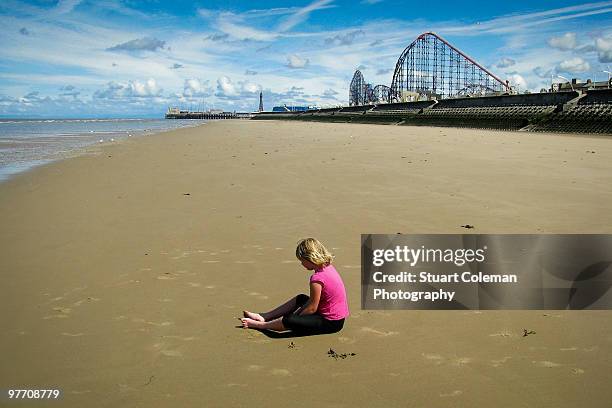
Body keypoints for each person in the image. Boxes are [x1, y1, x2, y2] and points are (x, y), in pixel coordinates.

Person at [240, 238, 349, 335]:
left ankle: (261, 325)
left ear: (310, 258)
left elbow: (312, 308)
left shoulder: (317, 279)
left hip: (331, 322)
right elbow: (313, 302)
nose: (302, 264)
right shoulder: (327, 266)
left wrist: (296, 316)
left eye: (302, 261)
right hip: (336, 318)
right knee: (301, 298)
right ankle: (265, 316)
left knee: (290, 320)